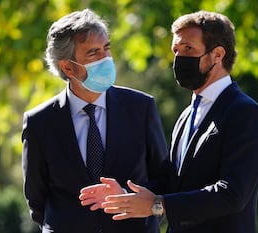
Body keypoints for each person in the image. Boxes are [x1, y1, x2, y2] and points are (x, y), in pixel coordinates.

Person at [79, 10, 258, 233]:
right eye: (176, 50)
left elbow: (232, 194)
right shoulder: (187, 114)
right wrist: (125, 196)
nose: (179, 58)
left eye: (188, 49)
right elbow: (174, 183)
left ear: (218, 54)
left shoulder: (244, 113)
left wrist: (157, 205)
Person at [21, 9, 168, 233]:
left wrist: (128, 199)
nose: (105, 59)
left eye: (106, 49)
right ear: (68, 67)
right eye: (93, 53)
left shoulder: (140, 108)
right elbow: (36, 199)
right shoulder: (39, 123)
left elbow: (163, 181)